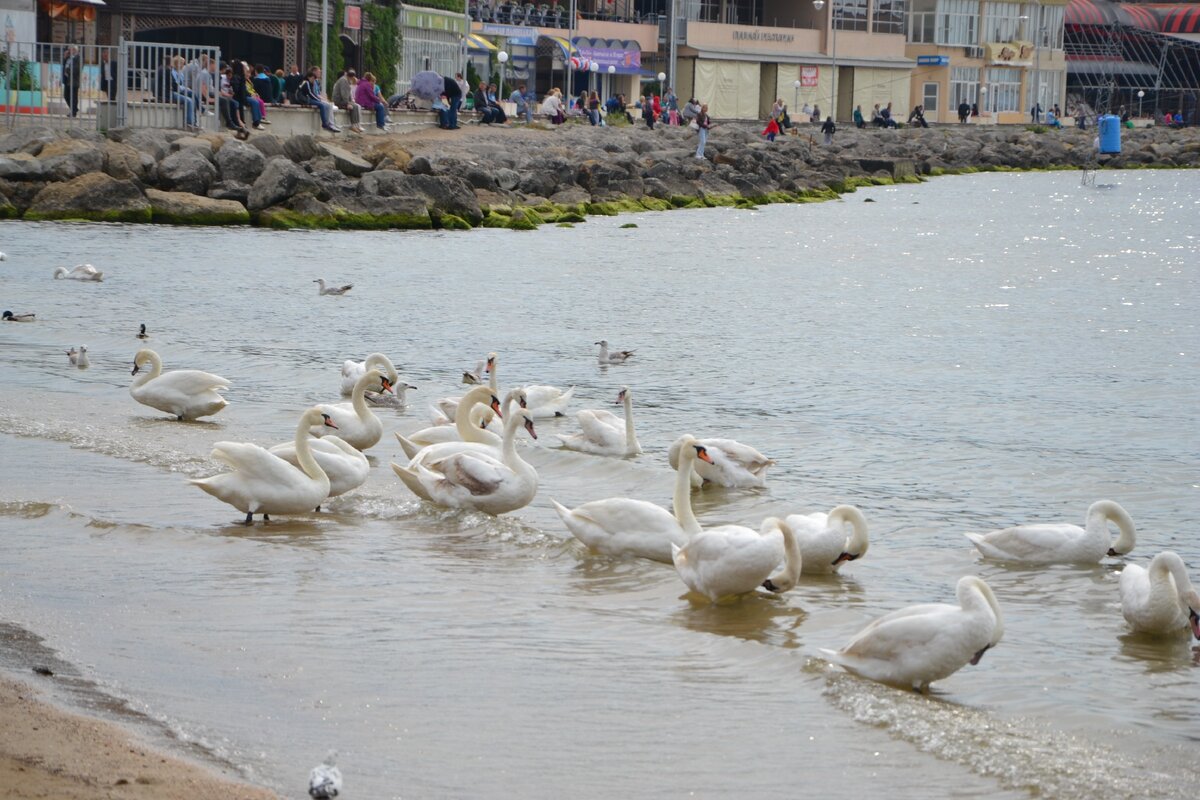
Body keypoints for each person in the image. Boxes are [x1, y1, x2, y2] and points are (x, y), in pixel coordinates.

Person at [297, 66, 340, 132]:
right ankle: (325, 124)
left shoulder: (309, 82)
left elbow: (312, 93)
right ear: (309, 77)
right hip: (304, 99)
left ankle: (329, 123)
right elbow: (310, 93)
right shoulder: (307, 82)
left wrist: (319, 100)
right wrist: (319, 100)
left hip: (307, 98)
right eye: (313, 78)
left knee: (325, 105)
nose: (313, 80)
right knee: (322, 105)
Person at [62, 45, 81, 117]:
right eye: (69, 50)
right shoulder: (68, 58)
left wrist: (67, 70)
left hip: (74, 80)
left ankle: (73, 112)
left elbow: (76, 69)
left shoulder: (78, 58)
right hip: (67, 79)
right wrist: (64, 57)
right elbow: (64, 65)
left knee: (73, 96)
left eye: (71, 50)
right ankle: (74, 109)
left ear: (75, 50)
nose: (69, 51)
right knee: (66, 95)